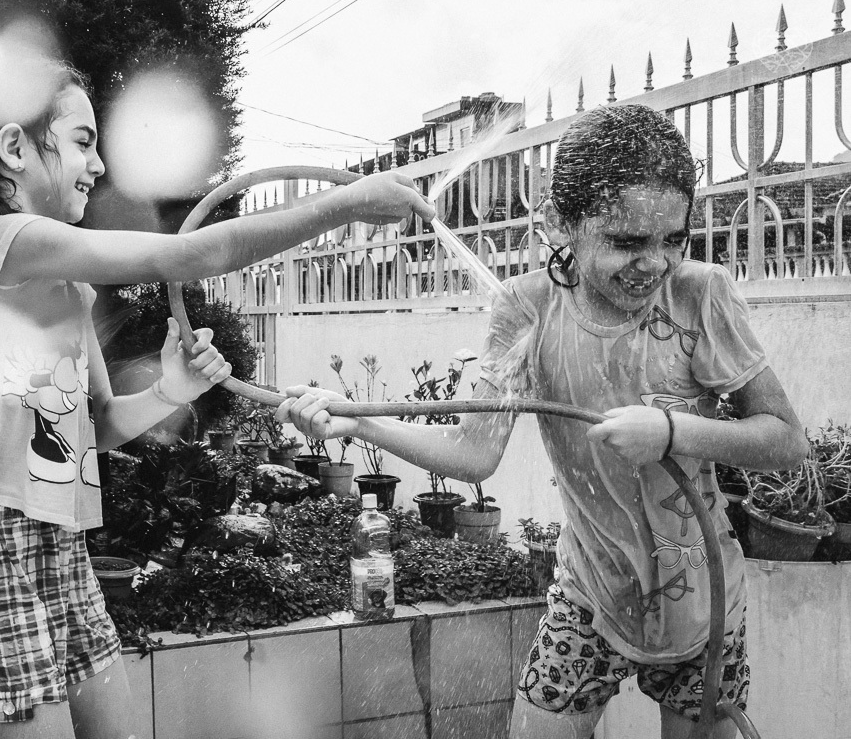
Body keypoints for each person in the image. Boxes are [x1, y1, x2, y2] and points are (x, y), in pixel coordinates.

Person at [0, 61, 434, 739]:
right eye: (81, 139)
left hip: (59, 541)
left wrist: (171, 389)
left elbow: (96, 425)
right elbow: (193, 254)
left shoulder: (65, 289)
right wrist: (346, 203)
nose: (98, 164)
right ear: (15, 149)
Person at [276, 104, 809, 739]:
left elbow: (785, 439)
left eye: (673, 240)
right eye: (627, 242)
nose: (656, 263)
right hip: (589, 594)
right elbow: (474, 456)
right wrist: (359, 425)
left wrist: (671, 433)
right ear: (562, 224)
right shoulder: (526, 308)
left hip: (704, 596)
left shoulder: (700, 296)